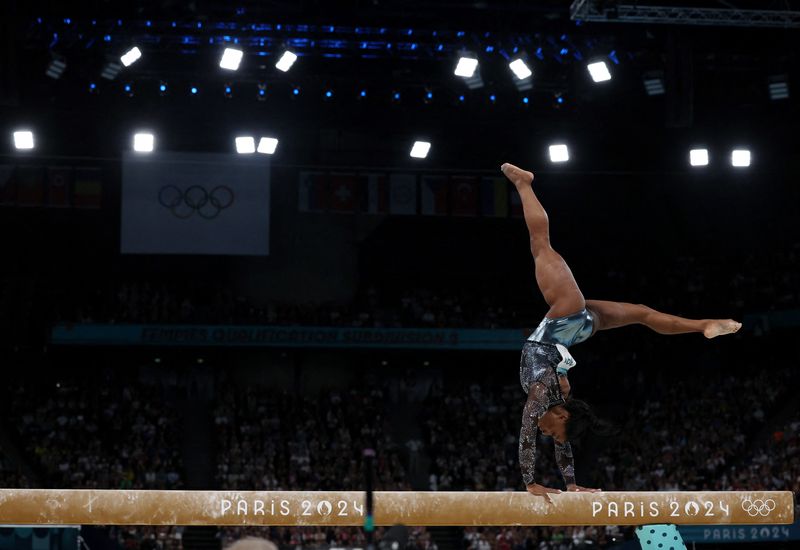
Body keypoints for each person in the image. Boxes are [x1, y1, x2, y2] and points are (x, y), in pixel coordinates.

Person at [500, 163, 741, 502]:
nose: (547, 433)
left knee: (642, 315)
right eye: (553, 431)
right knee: (540, 244)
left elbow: (562, 439)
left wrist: (570, 485)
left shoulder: (555, 400)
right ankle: (524, 184)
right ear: (563, 415)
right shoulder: (542, 396)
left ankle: (701, 325)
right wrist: (529, 482)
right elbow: (526, 433)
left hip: (577, 332)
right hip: (566, 317)